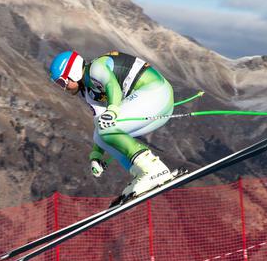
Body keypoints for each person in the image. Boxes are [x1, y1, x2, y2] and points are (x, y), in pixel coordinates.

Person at [48, 50, 176, 200]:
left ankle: (153, 169)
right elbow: (100, 124)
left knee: (107, 126)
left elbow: (111, 85)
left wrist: (113, 109)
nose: (63, 88)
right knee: (99, 136)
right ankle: (141, 172)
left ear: (74, 73)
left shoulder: (96, 68)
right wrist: (97, 155)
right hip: (154, 104)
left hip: (156, 93)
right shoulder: (88, 93)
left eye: (63, 82)